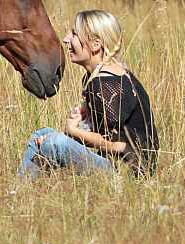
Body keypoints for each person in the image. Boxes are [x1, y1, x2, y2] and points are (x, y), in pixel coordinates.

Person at [18, 10, 159, 180]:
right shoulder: (99, 76)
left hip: (129, 173)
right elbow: (105, 132)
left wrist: (72, 131)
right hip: (115, 164)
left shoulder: (106, 83)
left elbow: (121, 145)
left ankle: (23, 189)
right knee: (43, 135)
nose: (66, 39)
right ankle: (20, 191)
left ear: (95, 45)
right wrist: (73, 132)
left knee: (53, 142)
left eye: (74, 34)